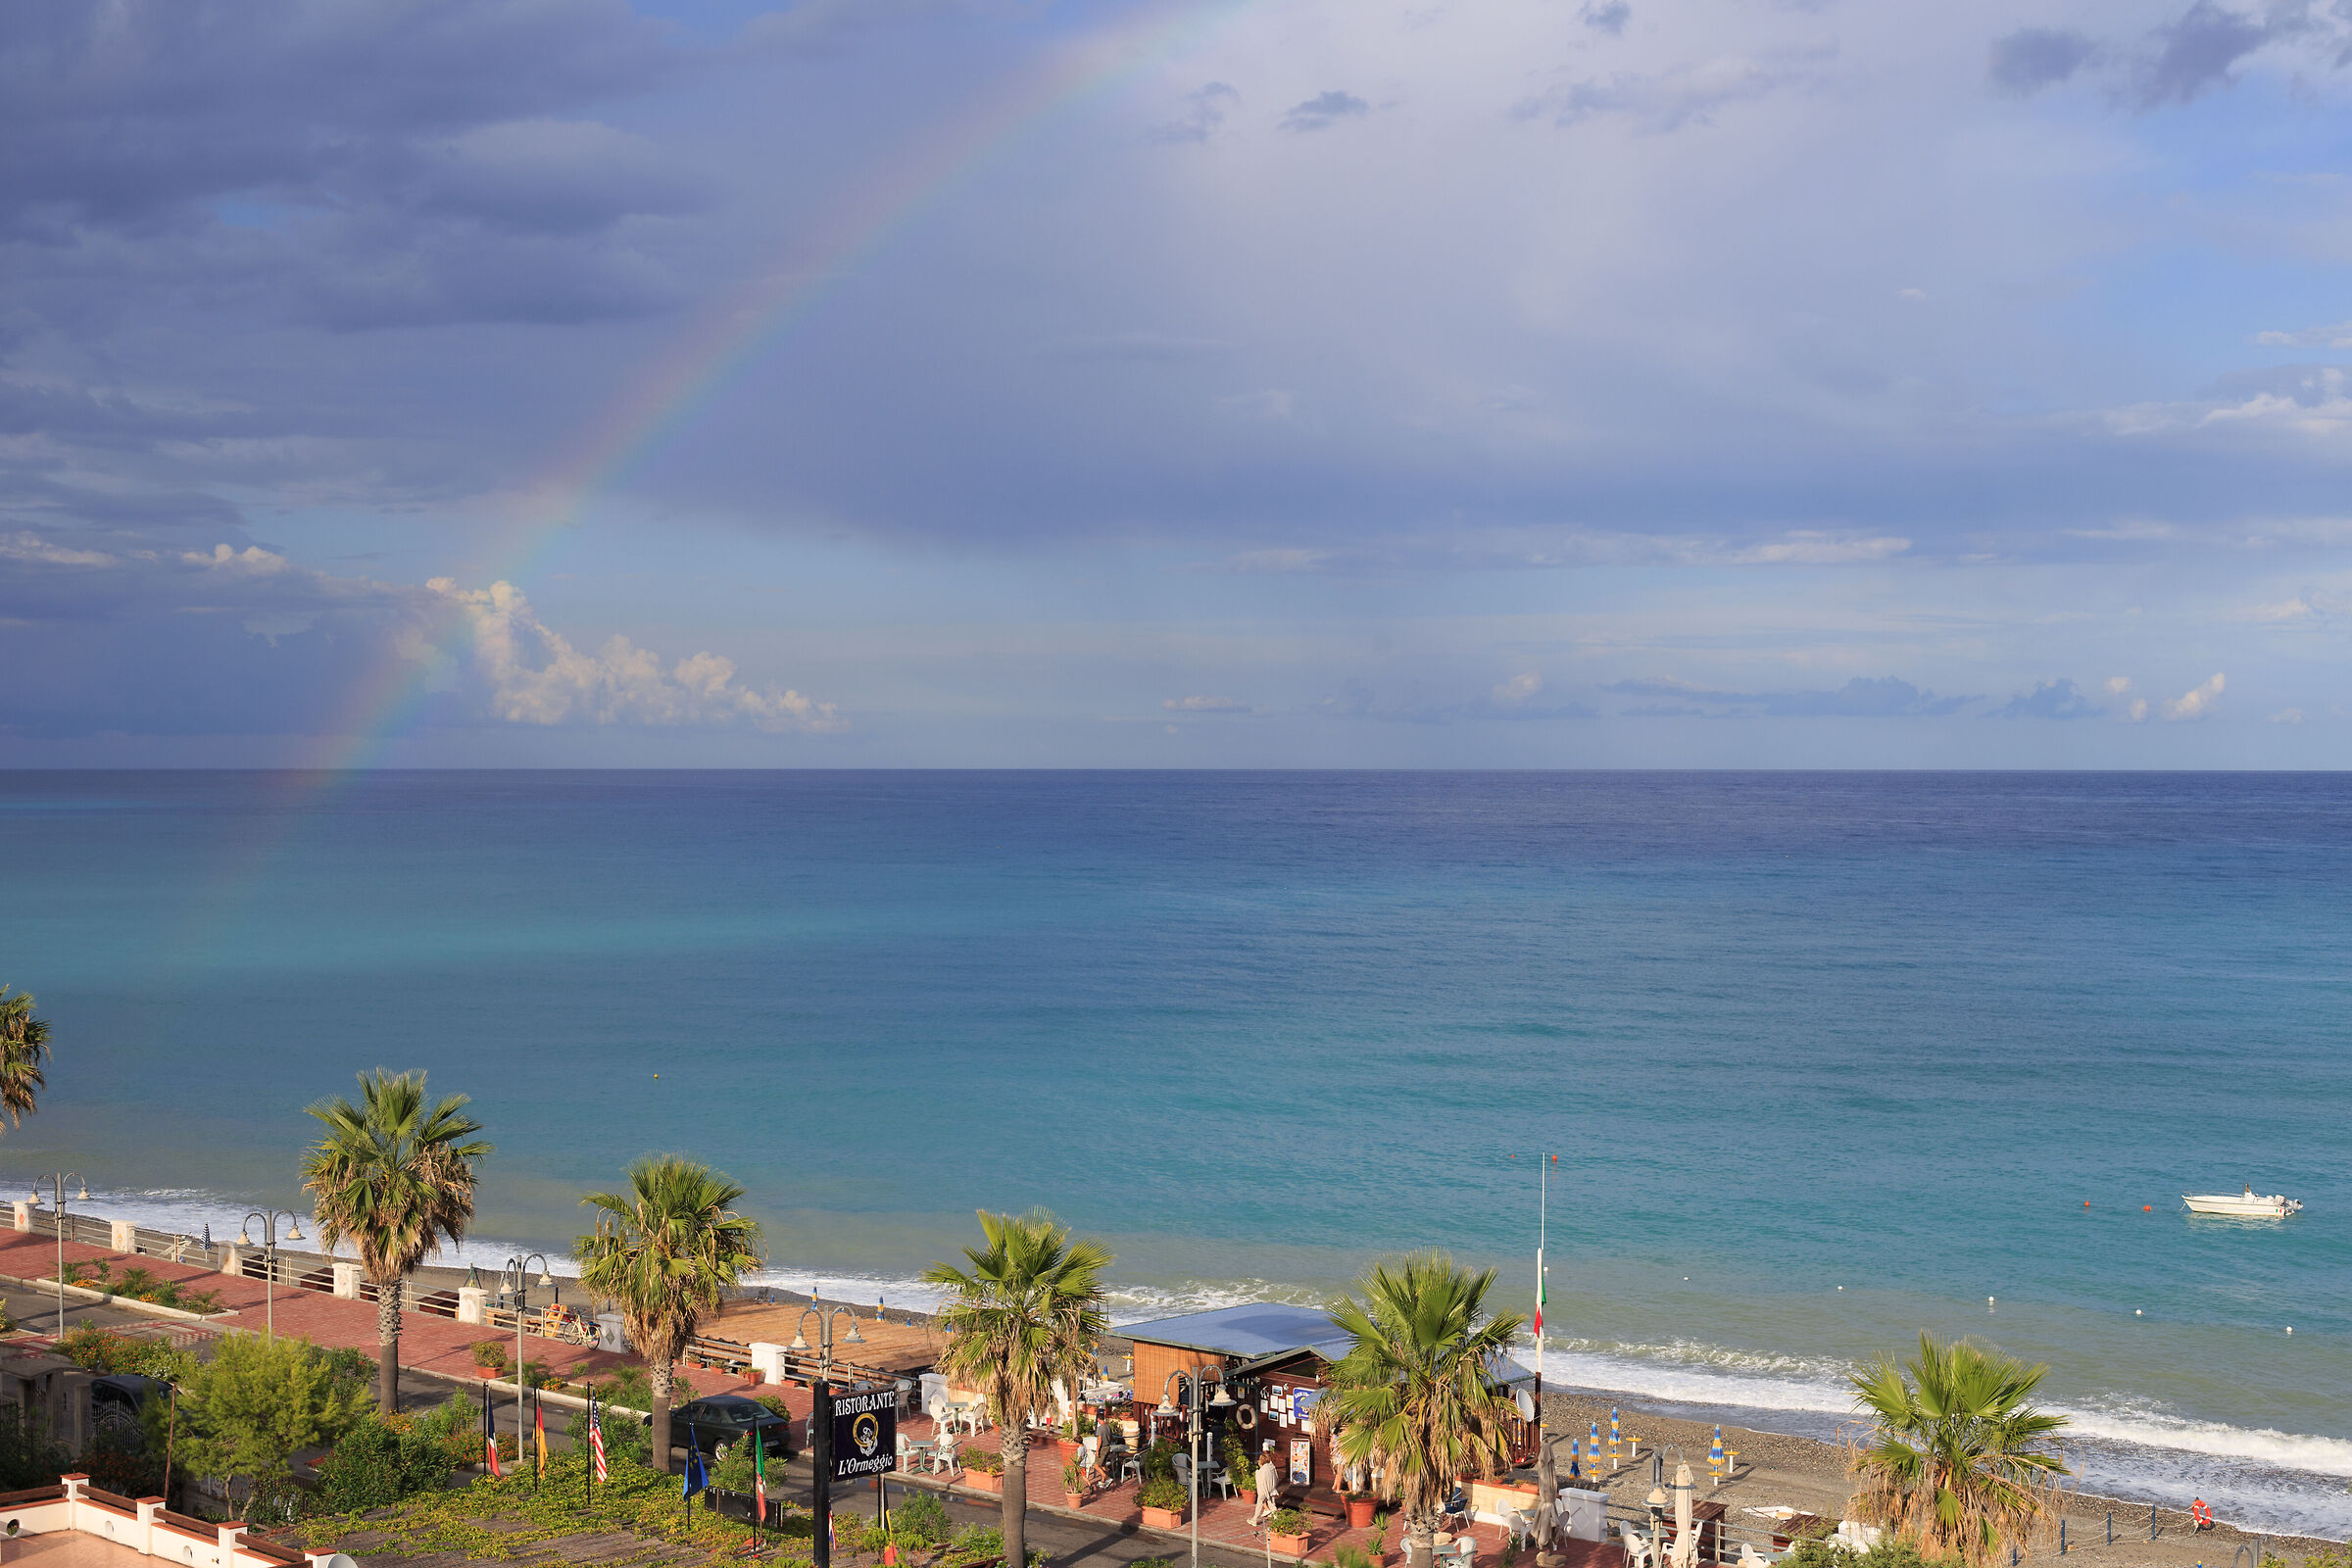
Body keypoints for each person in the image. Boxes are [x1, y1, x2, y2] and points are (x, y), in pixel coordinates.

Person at [1251, 1441, 1280, 1525]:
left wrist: (1258, 1470)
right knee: (1272, 1504)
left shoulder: (1261, 1471)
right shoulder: (1272, 1467)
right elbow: (1277, 1478)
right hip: (1272, 1489)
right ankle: (1277, 1519)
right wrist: (1273, 1487)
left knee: (1259, 1504)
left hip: (1264, 1491)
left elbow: (1260, 1482)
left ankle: (1254, 1519)